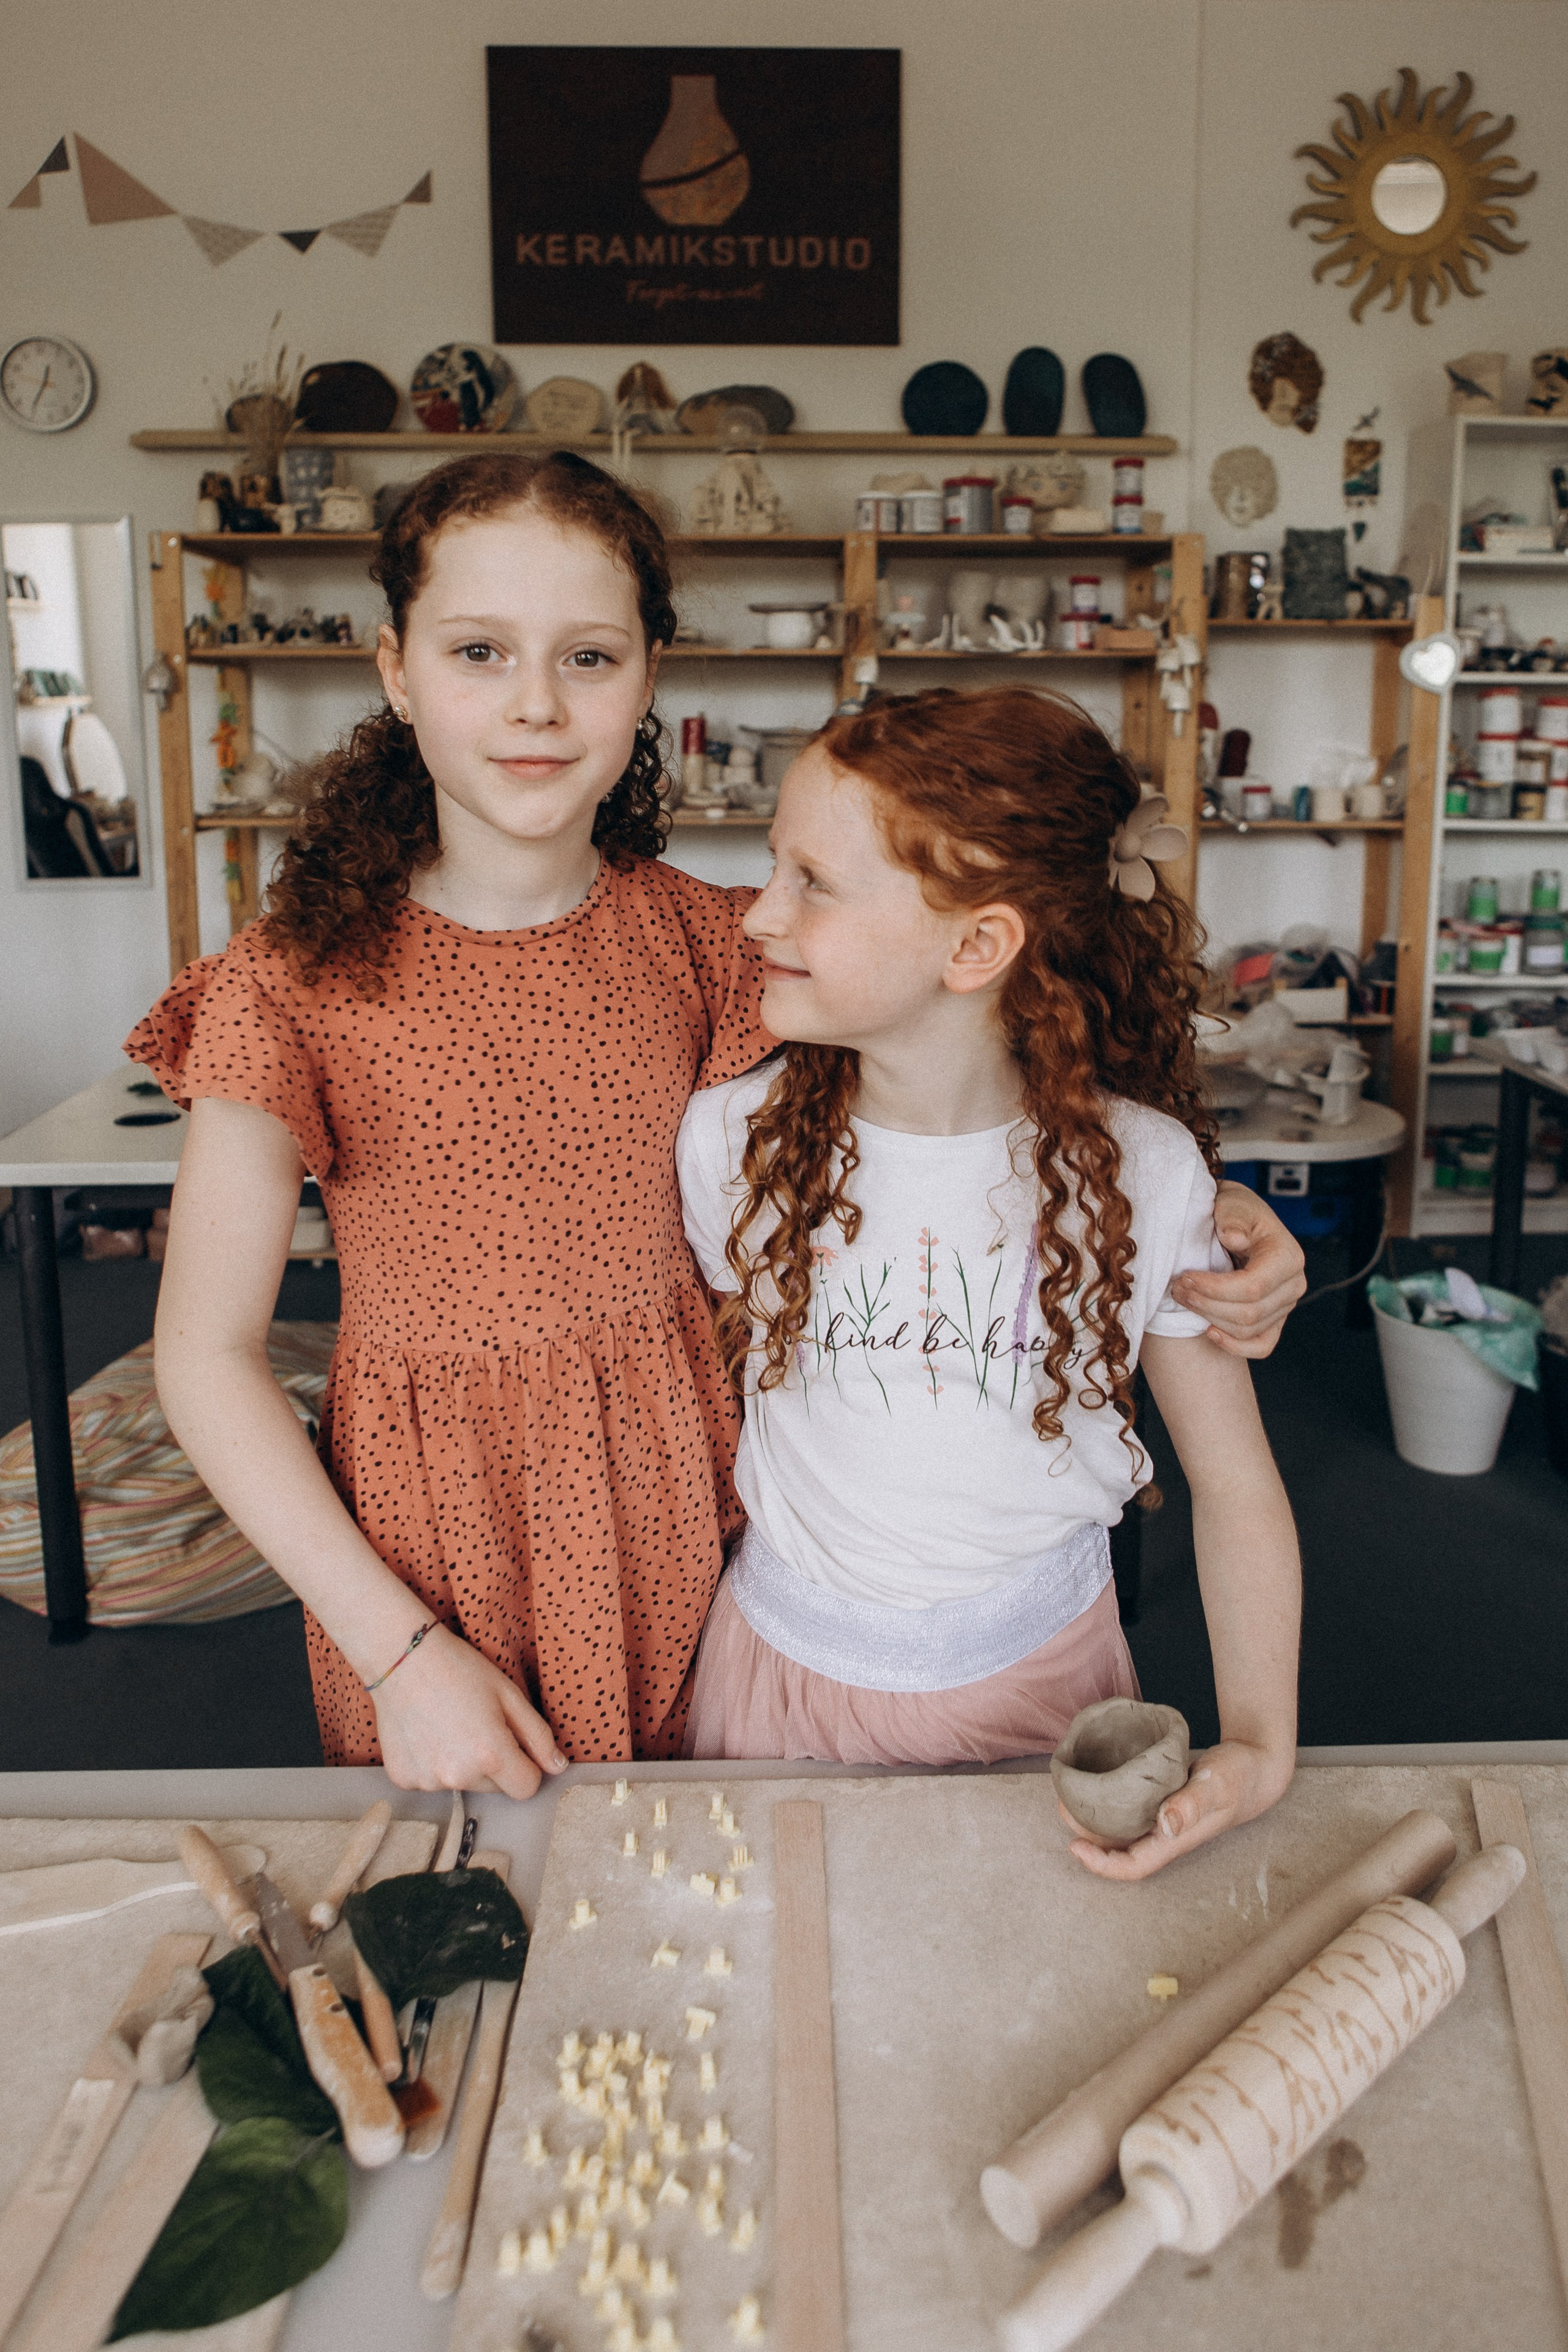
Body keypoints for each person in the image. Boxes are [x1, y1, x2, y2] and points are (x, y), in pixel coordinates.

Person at [128, 451, 1303, 1801]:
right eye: (476, 651)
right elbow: (205, 1355)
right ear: (395, 671)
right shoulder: (291, 980)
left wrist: (1208, 1214)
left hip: (695, 1527)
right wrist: (400, 1657)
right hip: (431, 1551)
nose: (533, 703)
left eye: (587, 657)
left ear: (649, 674)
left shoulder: (723, 947)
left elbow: (962, 1049)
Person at [677, 688, 1302, 1880]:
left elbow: (1232, 1486)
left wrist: (1260, 1740)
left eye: (811, 880)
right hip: (776, 1686)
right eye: (772, 866)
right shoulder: (727, 1143)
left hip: (1043, 1691)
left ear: (975, 947)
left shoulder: (1141, 1174)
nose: (757, 914)